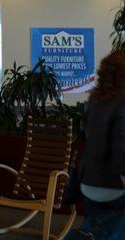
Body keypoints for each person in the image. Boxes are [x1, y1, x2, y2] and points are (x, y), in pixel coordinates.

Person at [70, 51, 125, 237]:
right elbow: (121, 148)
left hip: (88, 183)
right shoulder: (123, 102)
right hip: (114, 186)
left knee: (94, 232)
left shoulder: (94, 100)